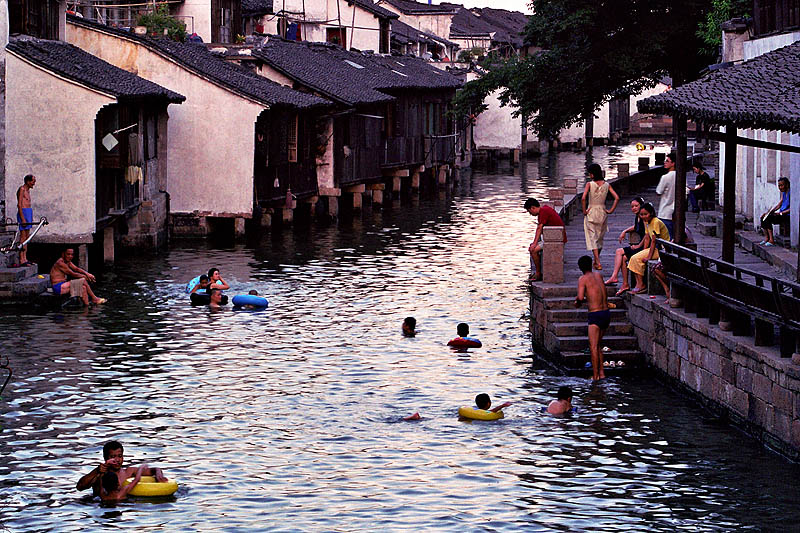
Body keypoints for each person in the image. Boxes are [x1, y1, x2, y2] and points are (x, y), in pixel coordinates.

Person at [76, 440, 167, 499]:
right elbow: (80, 487)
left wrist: (159, 475)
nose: (117, 460)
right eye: (113, 457)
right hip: (101, 505)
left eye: (120, 456)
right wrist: (97, 471)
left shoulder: (129, 471)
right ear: (105, 458)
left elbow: (154, 470)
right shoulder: (100, 474)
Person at [575, 255, 610, 380]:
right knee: (599, 345)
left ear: (580, 268)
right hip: (606, 313)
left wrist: (577, 302)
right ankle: (602, 373)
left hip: (595, 315)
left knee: (593, 347)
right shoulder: (598, 276)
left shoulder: (583, 279)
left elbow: (580, 297)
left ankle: (595, 377)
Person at [624, 202, 671, 295]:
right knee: (633, 258)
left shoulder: (656, 221)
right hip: (654, 248)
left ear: (651, 213)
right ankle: (639, 283)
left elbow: (654, 240)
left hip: (662, 249)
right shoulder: (646, 222)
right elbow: (647, 236)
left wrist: (649, 256)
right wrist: (643, 250)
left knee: (636, 258)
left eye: (646, 214)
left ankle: (641, 285)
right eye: (641, 214)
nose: (644, 216)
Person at [581, 163, 619, 270]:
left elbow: (583, 198)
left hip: (591, 211)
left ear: (592, 174)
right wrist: (610, 210)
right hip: (602, 211)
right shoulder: (606, 185)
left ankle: (597, 261)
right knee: (599, 238)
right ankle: (596, 260)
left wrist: (584, 211)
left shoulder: (589, 184)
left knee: (592, 237)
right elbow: (617, 197)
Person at [605, 197, 648, 286]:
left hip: (645, 247)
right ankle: (625, 284)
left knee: (619, 251)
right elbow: (636, 227)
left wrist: (638, 246)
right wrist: (625, 231)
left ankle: (614, 276)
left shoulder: (643, 216)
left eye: (636, 206)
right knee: (623, 258)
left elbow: (648, 234)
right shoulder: (638, 217)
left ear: (641, 205)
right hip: (641, 246)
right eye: (632, 207)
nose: (634, 208)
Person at [524, 198, 567, 282]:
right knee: (533, 247)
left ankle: (538, 273)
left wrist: (534, 243)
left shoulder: (543, 212)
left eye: (530, 211)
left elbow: (539, 228)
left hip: (555, 238)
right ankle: (539, 270)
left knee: (533, 250)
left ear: (533, 208)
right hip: (554, 236)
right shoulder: (545, 209)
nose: (530, 214)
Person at [759, 177, 790, 247]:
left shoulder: (791, 193)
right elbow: (779, 204)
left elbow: (792, 209)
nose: (780, 187)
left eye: (782, 185)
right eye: (779, 185)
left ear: (787, 185)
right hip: (781, 213)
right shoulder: (784, 193)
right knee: (763, 217)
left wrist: (780, 213)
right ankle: (767, 238)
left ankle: (771, 240)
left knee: (768, 218)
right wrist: (770, 212)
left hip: (786, 215)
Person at [15, 174, 36, 267]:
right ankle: (21, 258)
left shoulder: (28, 191)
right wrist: (23, 218)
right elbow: (19, 204)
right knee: (23, 237)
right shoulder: (22, 189)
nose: (34, 183)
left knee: (27, 237)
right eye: (32, 181)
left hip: (28, 212)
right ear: (28, 181)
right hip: (23, 212)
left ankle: (25, 258)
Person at [655, 153, 676, 238]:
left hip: (665, 212)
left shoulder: (665, 177)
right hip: (675, 212)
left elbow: (658, 191)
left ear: (673, 163)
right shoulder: (680, 176)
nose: (665, 162)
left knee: (665, 237)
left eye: (667, 161)